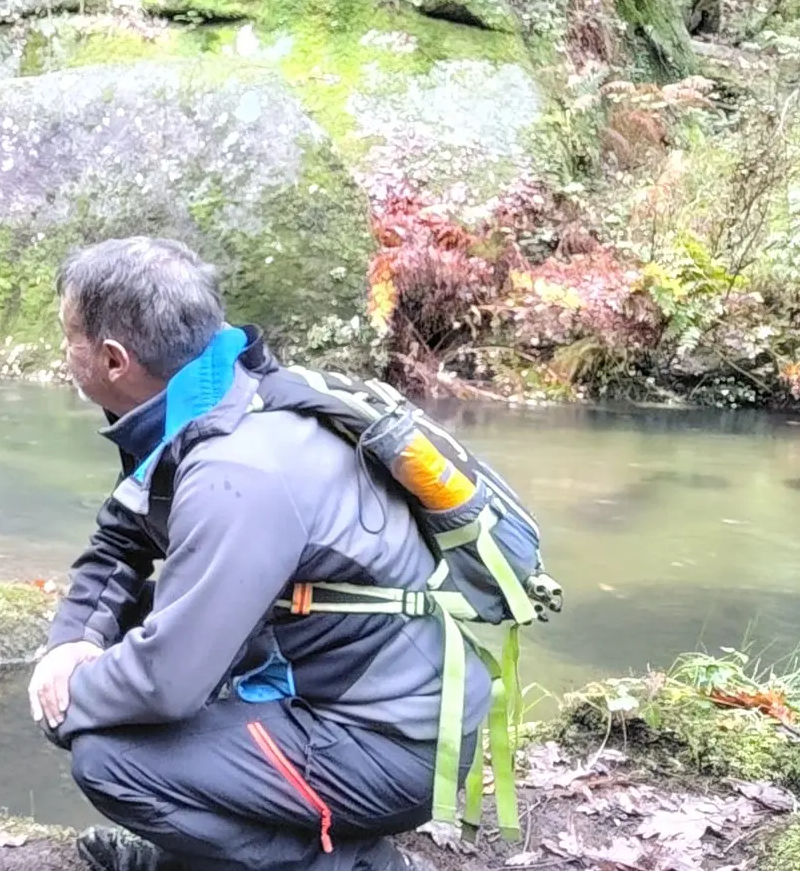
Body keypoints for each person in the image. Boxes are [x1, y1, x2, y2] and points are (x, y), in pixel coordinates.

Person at [30, 236, 489, 871]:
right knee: (123, 649)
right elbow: (121, 537)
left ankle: (349, 864)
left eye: (68, 336)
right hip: (335, 694)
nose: (63, 352)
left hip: (391, 747)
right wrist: (72, 642)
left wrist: (65, 695)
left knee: (106, 757)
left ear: (113, 360)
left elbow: (165, 684)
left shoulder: (237, 470)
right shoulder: (210, 396)